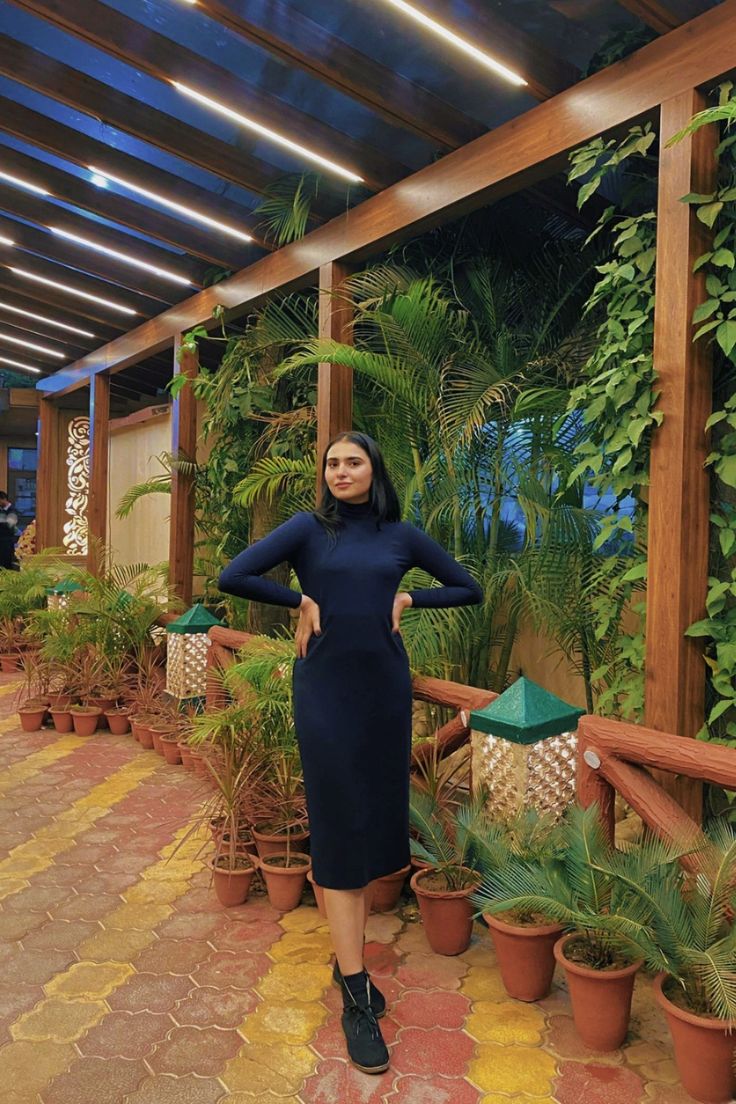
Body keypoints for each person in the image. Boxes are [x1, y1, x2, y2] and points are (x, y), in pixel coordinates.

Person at [218, 432, 483, 1074]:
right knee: (338, 827)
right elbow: (234, 574)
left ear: (374, 470)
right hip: (327, 692)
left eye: (353, 461)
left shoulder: (400, 535)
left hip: (385, 694)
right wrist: (299, 599)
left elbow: (467, 587)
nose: (340, 471)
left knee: (370, 825)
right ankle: (356, 991)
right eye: (332, 463)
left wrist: (410, 597)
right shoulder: (308, 530)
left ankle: (350, 961)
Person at [0, 492, 18, 570]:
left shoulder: (12, 510)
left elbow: (10, 525)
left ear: (3, 499)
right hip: (1, 541)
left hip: (7, 542)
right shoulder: (1, 510)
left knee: (6, 565)